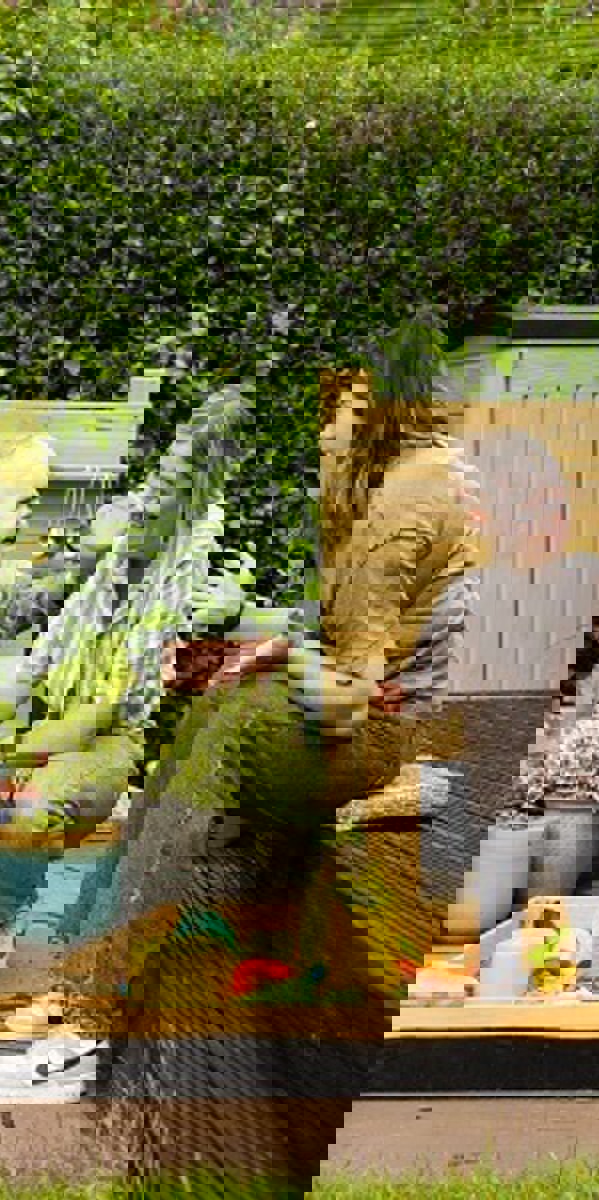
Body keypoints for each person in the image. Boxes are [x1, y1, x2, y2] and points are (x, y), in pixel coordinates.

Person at [47, 334, 480, 1197]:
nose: (327, 430)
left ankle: (135, 1001)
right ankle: (145, 996)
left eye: (340, 408)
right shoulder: (404, 489)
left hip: (402, 739)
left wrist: (277, 655)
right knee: (213, 753)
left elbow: (351, 692)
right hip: (386, 732)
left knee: (225, 752)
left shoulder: (409, 500)